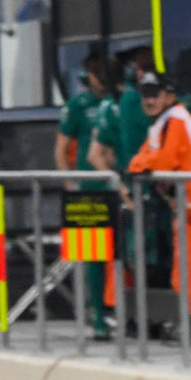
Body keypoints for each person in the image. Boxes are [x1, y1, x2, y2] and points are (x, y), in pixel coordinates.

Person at [127, 72, 191, 364]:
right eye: (145, 94)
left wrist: (142, 164)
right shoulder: (165, 123)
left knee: (188, 281)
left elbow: (162, 161)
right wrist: (142, 163)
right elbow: (142, 159)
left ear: (169, 95)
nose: (149, 100)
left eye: (155, 94)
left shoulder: (175, 121)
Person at [56, 55, 114, 338]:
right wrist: (71, 185)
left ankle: (125, 312)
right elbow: (61, 150)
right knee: (92, 256)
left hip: (117, 184)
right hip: (90, 188)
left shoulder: (116, 101)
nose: (99, 78)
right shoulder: (77, 105)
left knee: (124, 254)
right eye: (95, 72)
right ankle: (98, 315)